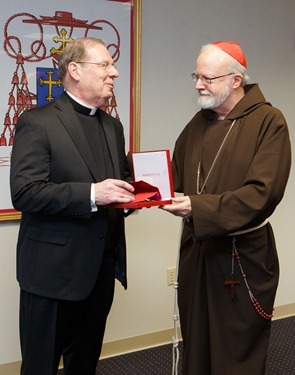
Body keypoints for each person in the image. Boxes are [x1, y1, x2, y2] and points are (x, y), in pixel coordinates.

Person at [161, 41, 291, 375]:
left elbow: (263, 194)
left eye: (207, 77)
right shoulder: (199, 122)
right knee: (197, 343)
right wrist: (145, 188)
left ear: (235, 80)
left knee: (235, 350)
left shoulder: (269, 122)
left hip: (241, 256)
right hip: (198, 254)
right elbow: (174, 174)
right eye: (196, 75)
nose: (198, 84)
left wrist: (197, 207)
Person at [10, 37, 135, 375]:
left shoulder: (113, 127)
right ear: (75, 70)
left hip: (99, 273)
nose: (115, 73)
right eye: (106, 65)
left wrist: (140, 196)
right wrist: (93, 195)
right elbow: (25, 192)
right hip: (51, 275)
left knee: (84, 366)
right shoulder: (38, 122)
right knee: (41, 368)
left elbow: (118, 187)